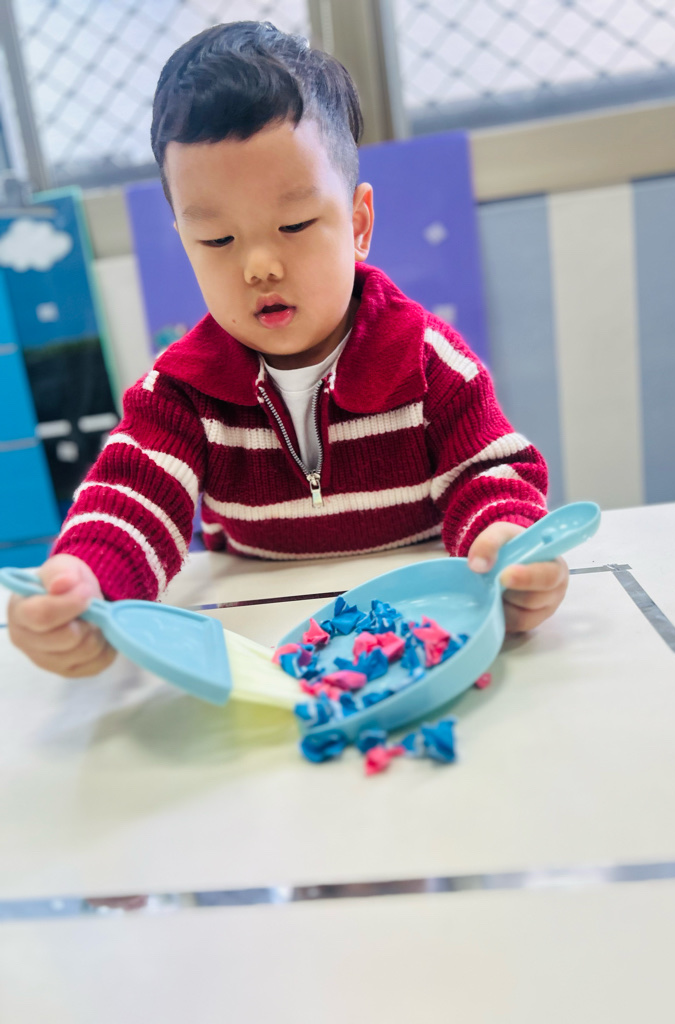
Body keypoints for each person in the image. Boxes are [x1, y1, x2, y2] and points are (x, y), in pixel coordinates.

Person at [7, 21, 568, 678]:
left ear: (357, 224)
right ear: (184, 242)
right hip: (264, 658)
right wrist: (85, 585)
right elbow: (131, 500)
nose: (259, 266)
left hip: (421, 638)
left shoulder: (425, 360)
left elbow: (489, 476)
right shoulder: (182, 392)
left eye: (295, 225)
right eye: (217, 241)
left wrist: (507, 549)